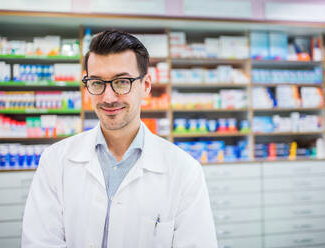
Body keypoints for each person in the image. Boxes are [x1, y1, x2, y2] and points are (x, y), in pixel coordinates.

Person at [21, 29, 218, 248]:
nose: (108, 97)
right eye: (96, 83)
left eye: (122, 82)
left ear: (146, 86)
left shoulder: (184, 171)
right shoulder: (55, 161)